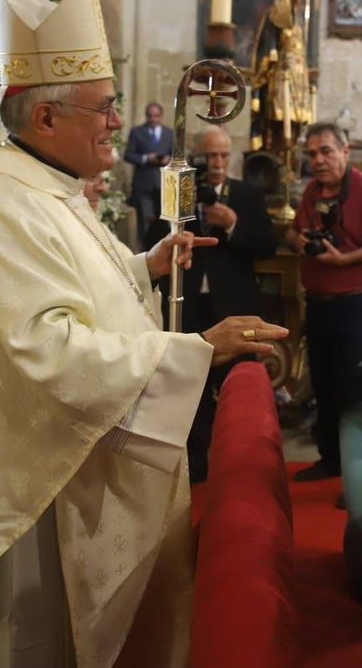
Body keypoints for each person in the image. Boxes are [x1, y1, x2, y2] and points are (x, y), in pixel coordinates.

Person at [0, 0, 287, 668]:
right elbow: (43, 349)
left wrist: (141, 266)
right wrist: (197, 349)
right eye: (103, 106)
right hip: (35, 511)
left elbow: (63, 290)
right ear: (43, 114)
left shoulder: (42, 184)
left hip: (66, 484)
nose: (117, 122)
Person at [145, 124, 276, 482]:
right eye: (211, 155)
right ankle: (196, 466)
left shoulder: (247, 194)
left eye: (223, 155)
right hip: (189, 305)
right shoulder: (176, 194)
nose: (217, 163)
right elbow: (151, 242)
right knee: (192, 389)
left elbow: (267, 245)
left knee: (240, 387)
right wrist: (175, 232)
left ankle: (241, 467)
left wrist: (234, 225)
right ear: (197, 158)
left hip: (234, 304)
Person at [286, 122, 362, 482]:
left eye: (326, 151)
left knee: (355, 391)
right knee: (323, 385)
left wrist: (346, 259)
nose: (318, 160)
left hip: (357, 306)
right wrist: (299, 242)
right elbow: (293, 231)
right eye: (312, 153)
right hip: (319, 305)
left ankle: (358, 476)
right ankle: (330, 461)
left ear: (345, 152)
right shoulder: (312, 191)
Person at [250, 0, 313, 155]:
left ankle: (292, 158)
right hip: (282, 77)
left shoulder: (297, 19)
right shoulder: (278, 10)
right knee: (279, 121)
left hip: (298, 79)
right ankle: (278, 154)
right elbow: (269, 46)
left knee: (297, 125)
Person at [124, 101, 173, 246]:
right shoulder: (137, 132)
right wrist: (146, 158)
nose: (153, 119)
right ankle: (145, 255)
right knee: (145, 223)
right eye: (150, 116)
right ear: (146, 116)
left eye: (156, 116)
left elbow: (178, 156)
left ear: (161, 116)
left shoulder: (170, 133)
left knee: (164, 223)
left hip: (164, 185)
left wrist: (168, 159)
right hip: (143, 186)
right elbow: (128, 155)